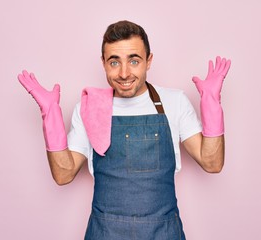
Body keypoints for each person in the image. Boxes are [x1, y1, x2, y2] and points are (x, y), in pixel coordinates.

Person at [18, 20, 231, 240]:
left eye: (134, 60)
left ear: (149, 61)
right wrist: (50, 113)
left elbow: (212, 163)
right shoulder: (89, 107)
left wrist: (212, 102)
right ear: (103, 63)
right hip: (105, 233)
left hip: (163, 234)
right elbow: (64, 174)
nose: (124, 73)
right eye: (114, 62)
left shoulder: (174, 102)